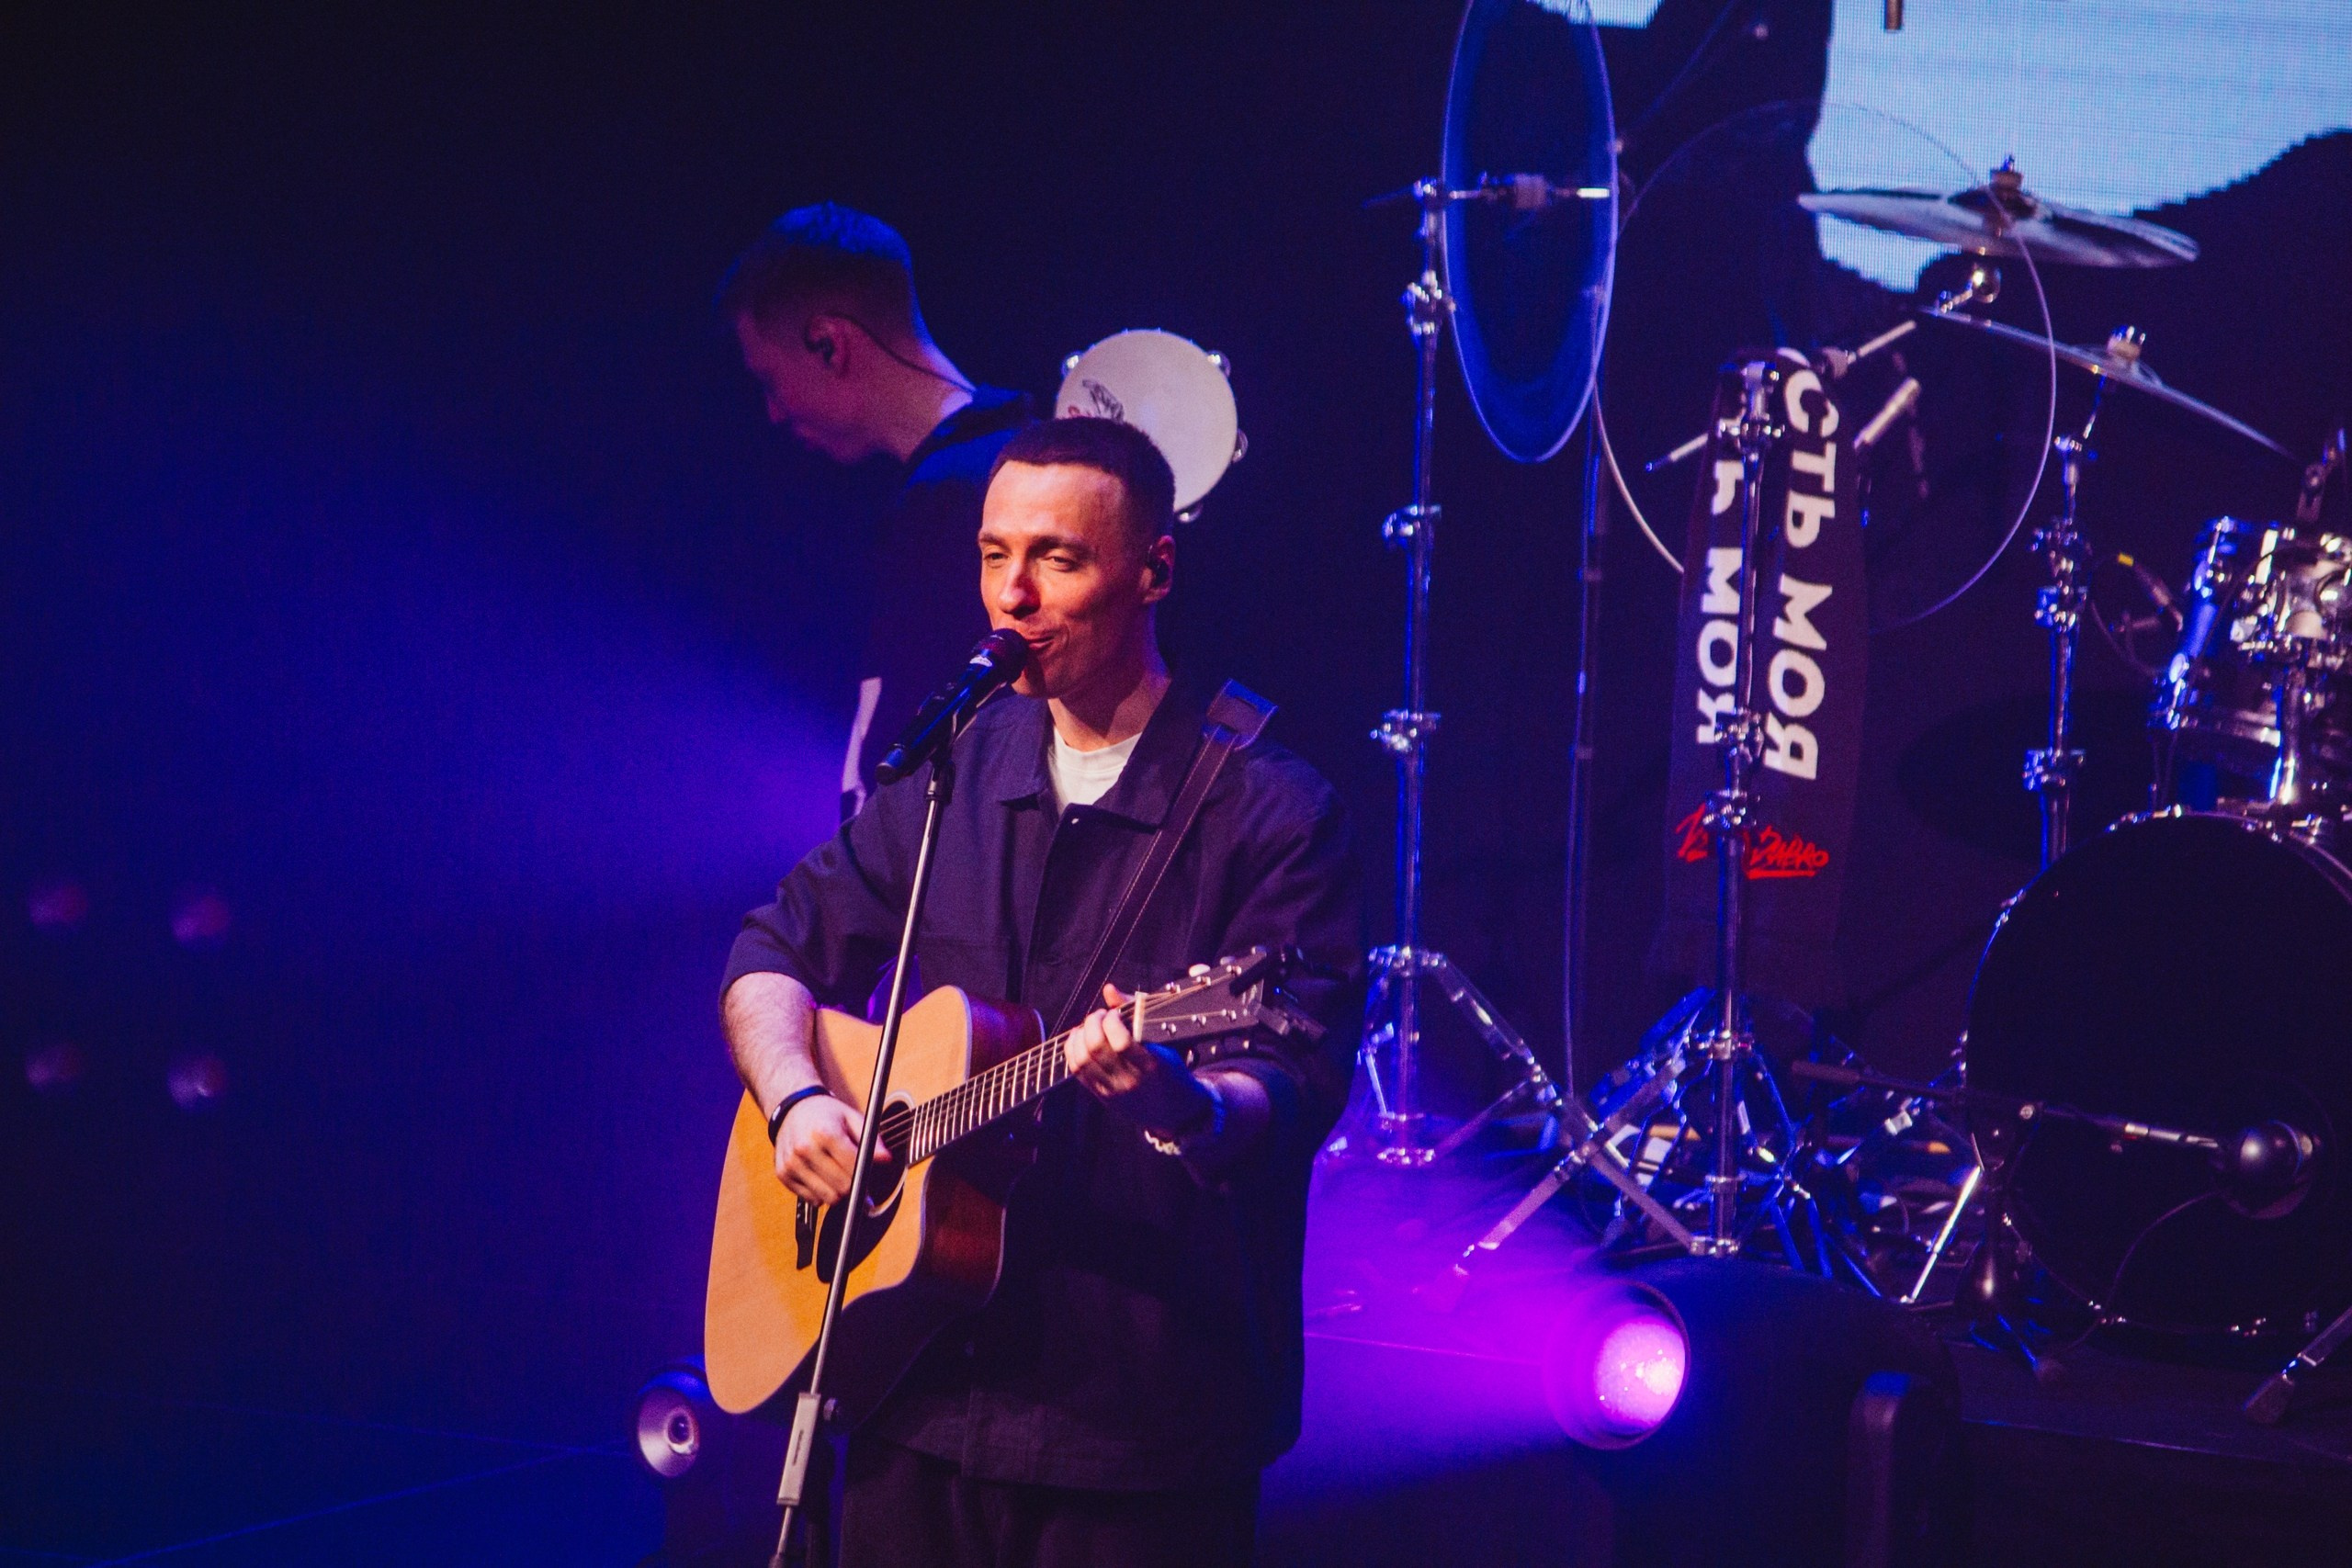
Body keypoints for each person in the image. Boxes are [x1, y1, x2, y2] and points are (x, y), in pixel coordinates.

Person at [721, 415, 1361, 1566]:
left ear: (1153, 569)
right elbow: (774, 950)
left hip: (1134, 1421)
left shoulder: (1270, 810)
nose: (1010, 594)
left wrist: (1186, 1103)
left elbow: (1294, 1075)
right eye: (991, 554)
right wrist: (795, 1101)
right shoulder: (956, 770)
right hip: (911, 1382)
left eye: (1057, 560)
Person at [719, 202, 1033, 819]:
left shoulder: (957, 494)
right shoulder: (1007, 458)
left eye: (769, 380)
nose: (774, 413)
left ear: (828, 343)